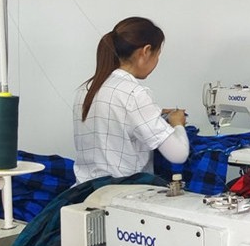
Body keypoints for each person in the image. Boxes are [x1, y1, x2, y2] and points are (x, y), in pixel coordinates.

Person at [73, 17, 189, 183]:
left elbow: (119, 121)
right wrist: (177, 123)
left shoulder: (86, 89)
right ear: (146, 51)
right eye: (157, 55)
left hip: (85, 190)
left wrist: (155, 113)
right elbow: (178, 154)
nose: (157, 61)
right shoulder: (134, 93)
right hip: (122, 192)